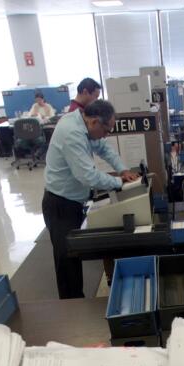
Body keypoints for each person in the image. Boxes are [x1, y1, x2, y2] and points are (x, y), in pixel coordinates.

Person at [42, 100, 138, 299]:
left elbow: (104, 148)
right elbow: (88, 176)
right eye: (107, 129)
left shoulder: (84, 123)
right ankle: (72, 309)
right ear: (95, 122)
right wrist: (119, 183)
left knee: (73, 257)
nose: (107, 134)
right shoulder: (72, 133)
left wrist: (123, 169)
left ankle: (76, 302)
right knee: (67, 262)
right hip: (60, 203)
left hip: (73, 200)